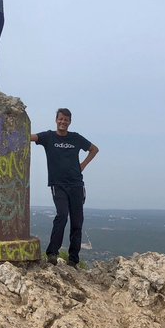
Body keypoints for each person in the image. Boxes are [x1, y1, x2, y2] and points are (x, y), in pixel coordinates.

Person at [30, 108, 98, 267]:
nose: (63, 122)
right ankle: (52, 253)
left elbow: (94, 149)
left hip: (76, 184)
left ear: (69, 122)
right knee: (61, 215)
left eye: (66, 120)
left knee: (77, 222)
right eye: (60, 119)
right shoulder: (49, 137)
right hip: (58, 184)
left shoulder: (75, 138)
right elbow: (30, 137)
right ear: (56, 120)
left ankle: (73, 260)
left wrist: (83, 165)